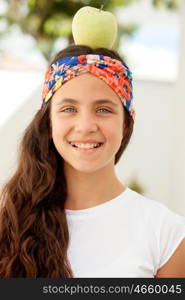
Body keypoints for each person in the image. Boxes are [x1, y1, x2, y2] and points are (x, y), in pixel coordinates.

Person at [0, 44, 185, 278]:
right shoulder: (11, 223)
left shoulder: (167, 236)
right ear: (48, 122)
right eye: (69, 109)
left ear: (127, 123)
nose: (86, 126)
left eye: (103, 110)